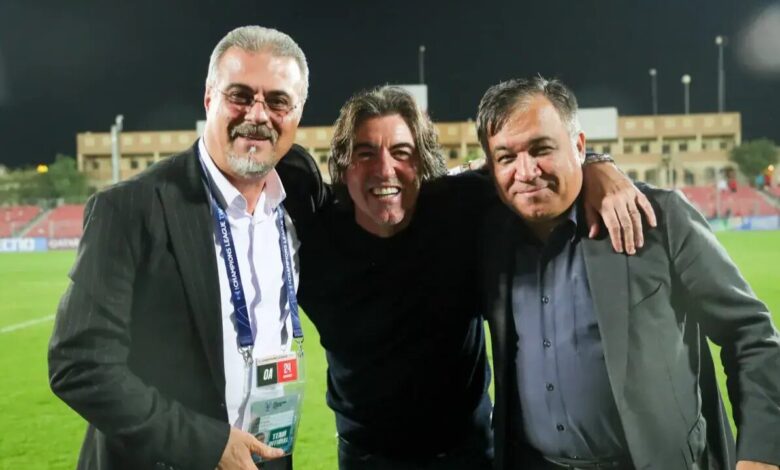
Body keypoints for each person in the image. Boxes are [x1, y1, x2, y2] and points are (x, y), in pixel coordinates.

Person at [293, 85, 658, 469]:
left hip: (468, 455)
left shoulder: (461, 205)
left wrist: (597, 165)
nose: (385, 170)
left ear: (423, 165)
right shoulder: (314, 237)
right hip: (366, 459)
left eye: (402, 152)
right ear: (343, 165)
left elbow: (529, 164)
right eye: (365, 153)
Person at [48, 26, 327, 470]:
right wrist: (207, 446)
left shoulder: (298, 202)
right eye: (240, 95)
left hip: (269, 456)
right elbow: (79, 364)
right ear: (209, 98)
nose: (258, 114)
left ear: (297, 113)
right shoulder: (131, 208)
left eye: (277, 101)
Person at [477, 76, 780, 470]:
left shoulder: (657, 218)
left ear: (579, 146)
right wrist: (600, 163)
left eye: (542, 149)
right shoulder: (490, 238)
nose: (526, 171)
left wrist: (761, 455)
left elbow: (749, 334)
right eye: (506, 157)